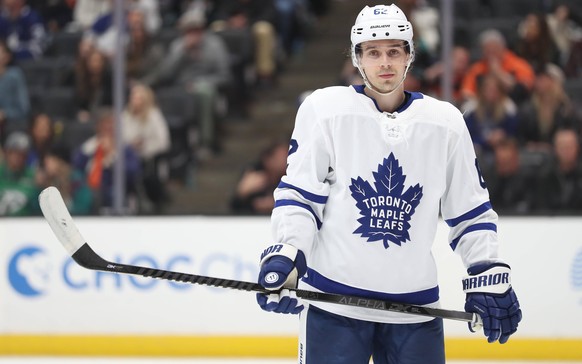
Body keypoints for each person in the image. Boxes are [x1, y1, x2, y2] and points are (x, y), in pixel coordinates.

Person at [255, 5, 522, 364]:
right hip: (334, 306)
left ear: (409, 56)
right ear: (357, 57)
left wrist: (486, 268)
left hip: (415, 310)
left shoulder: (446, 123)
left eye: (394, 51)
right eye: (373, 52)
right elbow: (301, 196)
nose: (384, 63)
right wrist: (288, 253)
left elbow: (470, 210)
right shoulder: (324, 109)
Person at [230, 139, 289, 214]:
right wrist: (242, 192)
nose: (286, 160)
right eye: (282, 156)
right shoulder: (254, 175)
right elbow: (234, 207)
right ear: (268, 159)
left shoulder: (289, 177)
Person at [0, 131, 39, 215]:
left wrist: (39, 187)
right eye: (16, 153)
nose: (19, 158)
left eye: (23, 154)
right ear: (7, 153)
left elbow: (36, 208)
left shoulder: (32, 176)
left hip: (24, 224)